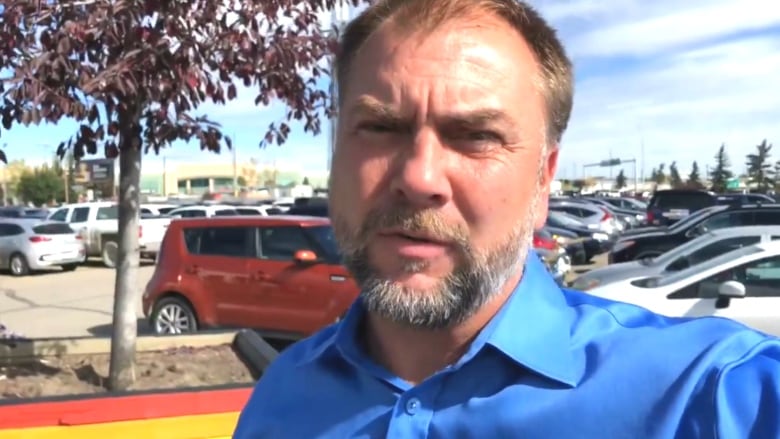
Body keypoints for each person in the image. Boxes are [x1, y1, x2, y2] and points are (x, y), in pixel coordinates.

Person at [234, 0, 780, 437]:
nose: (420, 177)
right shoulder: (284, 396)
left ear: (543, 180)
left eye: (476, 136)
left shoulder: (708, 395)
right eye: (380, 128)